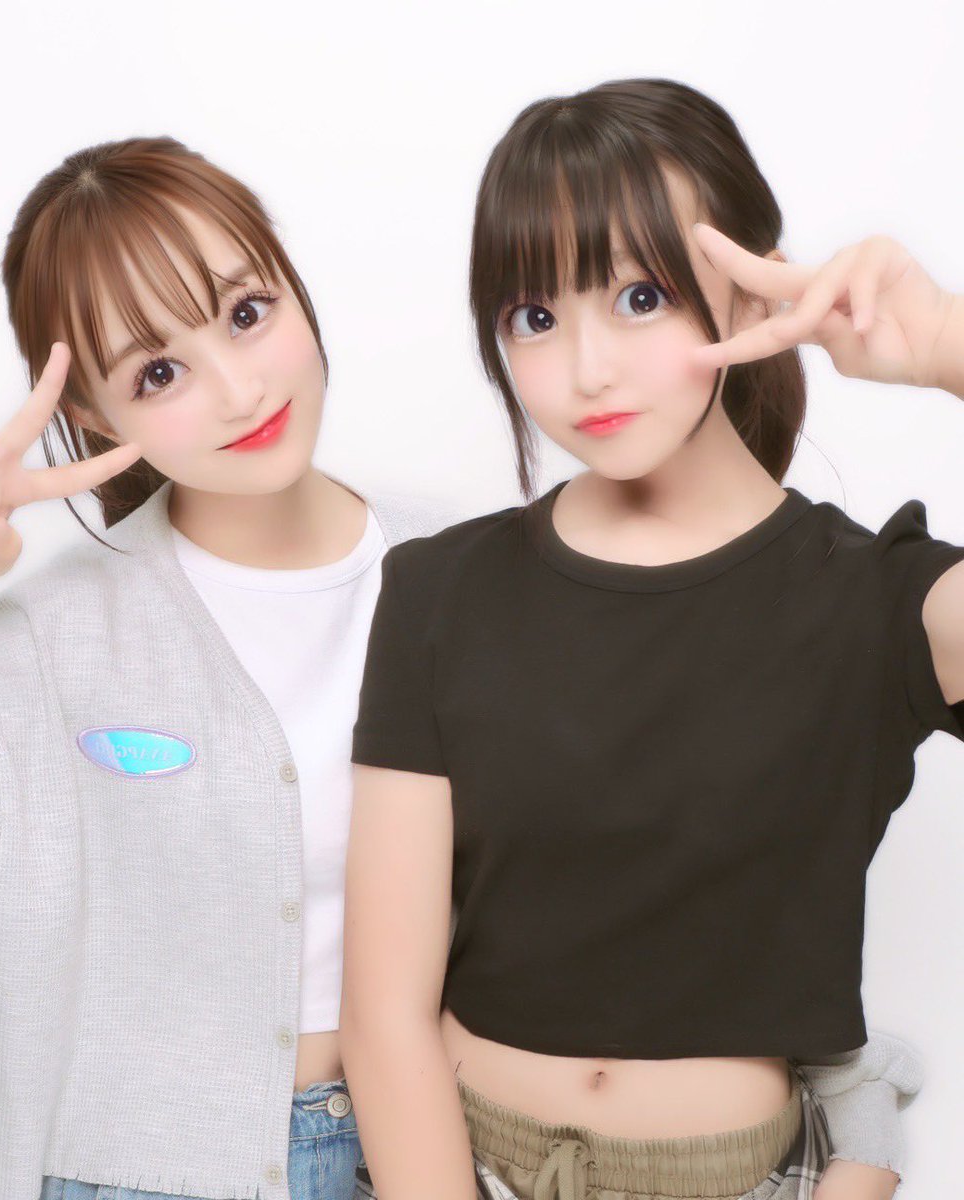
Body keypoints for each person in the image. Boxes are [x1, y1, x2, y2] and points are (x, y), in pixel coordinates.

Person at [339, 78, 963, 1200]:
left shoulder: (876, 601)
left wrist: (949, 349)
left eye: (640, 296)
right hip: (464, 1167)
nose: (586, 370)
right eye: (535, 317)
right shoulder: (437, 589)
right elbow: (385, 1013)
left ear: (754, 283)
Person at [0, 136, 464, 1200]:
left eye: (246, 312)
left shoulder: (476, 569)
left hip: (448, 1149)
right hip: (143, 1175)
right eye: (158, 373)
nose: (239, 390)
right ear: (92, 415)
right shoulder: (32, 651)